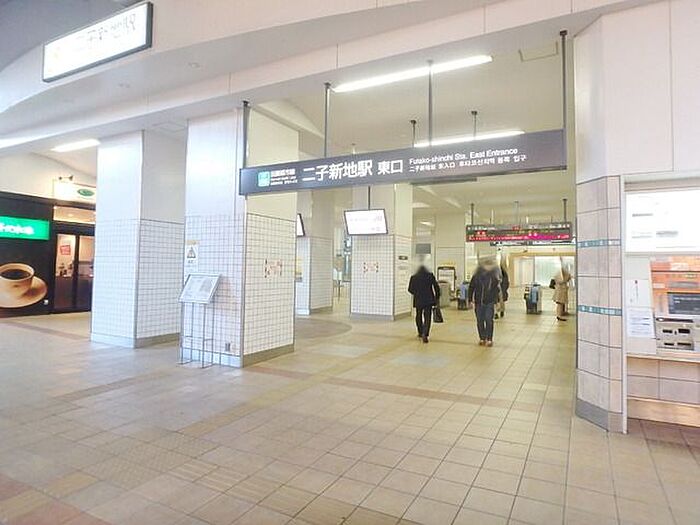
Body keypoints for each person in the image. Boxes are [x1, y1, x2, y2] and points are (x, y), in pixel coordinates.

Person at [468, 257, 501, 346]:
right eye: (487, 265)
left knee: (489, 320)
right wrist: (470, 300)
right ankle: (482, 338)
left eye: (490, 265)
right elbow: (471, 288)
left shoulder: (493, 277)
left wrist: (497, 302)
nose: (488, 267)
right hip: (478, 302)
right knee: (480, 320)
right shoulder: (476, 276)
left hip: (489, 302)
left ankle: (489, 339)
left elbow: (496, 290)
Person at [408, 265, 441, 343]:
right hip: (428, 300)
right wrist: (437, 297)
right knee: (427, 317)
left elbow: (410, 289)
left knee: (418, 316)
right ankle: (425, 334)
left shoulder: (414, 277)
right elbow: (436, 287)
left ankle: (420, 332)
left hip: (418, 300)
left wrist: (416, 293)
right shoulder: (430, 276)